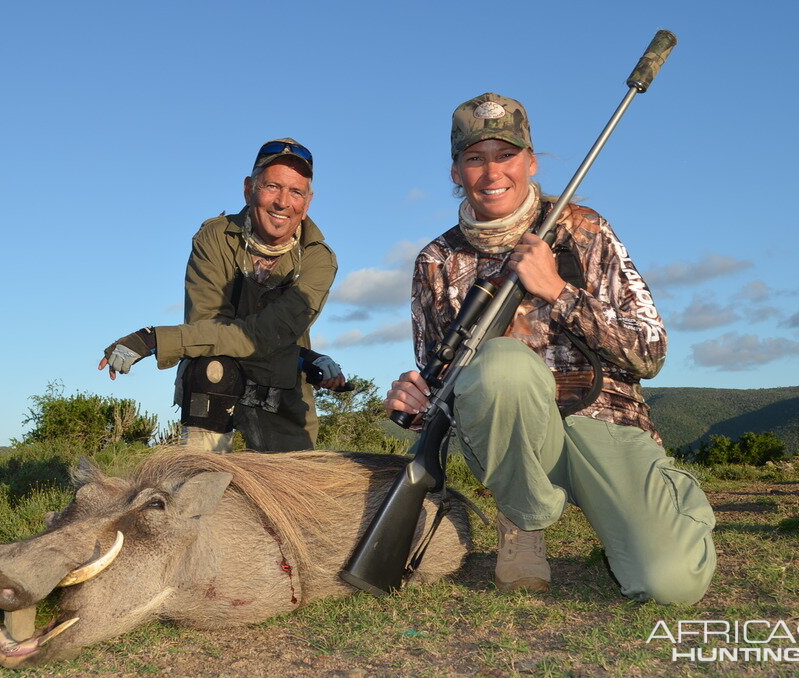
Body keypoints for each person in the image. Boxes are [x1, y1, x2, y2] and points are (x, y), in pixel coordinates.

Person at [384, 93, 716, 604]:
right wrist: (414, 404)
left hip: (603, 423)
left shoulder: (585, 229)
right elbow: (445, 382)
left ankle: (660, 505)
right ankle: (522, 521)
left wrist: (558, 292)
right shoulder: (436, 260)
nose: (492, 172)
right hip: (515, 447)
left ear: (531, 162)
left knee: (669, 584)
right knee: (499, 368)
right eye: (475, 158)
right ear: (456, 171)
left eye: (506, 155)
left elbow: (650, 351)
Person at [100, 138, 346, 452]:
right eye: (272, 186)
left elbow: (266, 335)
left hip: (281, 392)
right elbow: (208, 322)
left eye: (296, 191)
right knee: (212, 367)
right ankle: (203, 471)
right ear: (249, 189)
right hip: (218, 384)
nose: (283, 202)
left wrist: (155, 339)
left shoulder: (319, 258)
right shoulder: (213, 236)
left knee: (295, 495)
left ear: (307, 203)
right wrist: (303, 357)